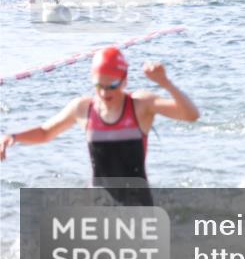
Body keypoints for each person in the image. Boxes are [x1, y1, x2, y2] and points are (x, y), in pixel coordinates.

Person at [0, 47, 200, 205]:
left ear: (124, 81)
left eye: (111, 85)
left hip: (137, 205)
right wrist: (14, 137)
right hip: (97, 203)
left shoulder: (140, 106)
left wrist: (166, 84)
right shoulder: (83, 108)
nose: (104, 93)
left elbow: (190, 115)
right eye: (99, 86)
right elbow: (45, 133)